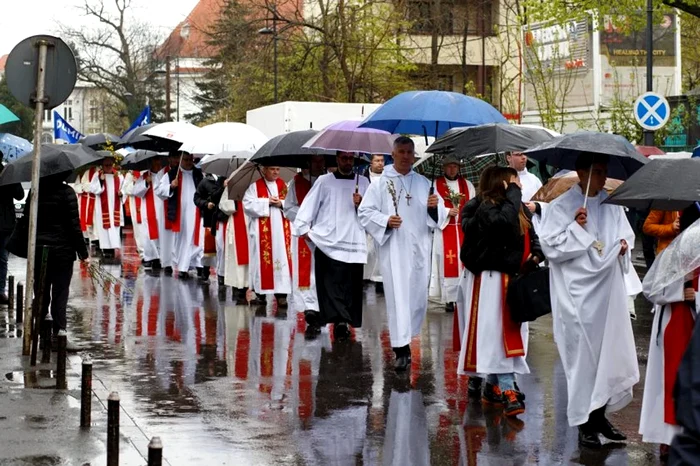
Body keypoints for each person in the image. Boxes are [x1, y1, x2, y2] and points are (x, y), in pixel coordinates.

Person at [539, 153, 639, 448]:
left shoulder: (611, 203)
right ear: (581, 173)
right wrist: (575, 227)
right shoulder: (561, 207)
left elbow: (626, 237)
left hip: (607, 294)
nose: (602, 177)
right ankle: (584, 424)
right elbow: (551, 249)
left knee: (607, 356)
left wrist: (623, 247)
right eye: (597, 171)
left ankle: (599, 416)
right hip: (577, 297)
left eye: (604, 171)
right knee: (583, 360)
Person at [456, 166, 543, 417]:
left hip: (514, 277)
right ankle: (507, 388)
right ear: (502, 183)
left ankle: (493, 386)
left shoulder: (516, 206)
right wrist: (514, 194)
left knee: (511, 334)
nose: (519, 184)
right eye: (514, 180)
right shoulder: (479, 207)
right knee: (496, 334)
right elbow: (501, 224)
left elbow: (531, 233)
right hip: (489, 279)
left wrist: (536, 254)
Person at [358, 136, 446, 371]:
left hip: (419, 248)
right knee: (398, 296)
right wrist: (386, 220)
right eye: (402, 152)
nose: (406, 156)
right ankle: (401, 349)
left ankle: (408, 338)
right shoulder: (380, 183)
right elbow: (365, 213)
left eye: (410, 152)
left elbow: (439, 218)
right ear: (393, 154)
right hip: (394, 249)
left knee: (416, 298)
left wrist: (433, 207)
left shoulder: (424, 183)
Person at [640, 205, 699, 460]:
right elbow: (651, 289)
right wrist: (679, 291)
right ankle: (668, 438)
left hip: (694, 320)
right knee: (672, 382)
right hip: (674, 321)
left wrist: (695, 296)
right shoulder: (672, 252)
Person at [295, 152, 369, 340]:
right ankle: (339, 321)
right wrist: (303, 226)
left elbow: (372, 211)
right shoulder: (324, 181)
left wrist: (361, 204)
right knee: (331, 285)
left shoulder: (364, 183)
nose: (347, 162)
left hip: (353, 238)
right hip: (329, 240)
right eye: (343, 158)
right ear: (336, 159)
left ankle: (344, 320)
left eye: (350, 158)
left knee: (350, 285)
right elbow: (309, 204)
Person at [19, 173, 89, 350]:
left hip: (39, 250)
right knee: (60, 294)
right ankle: (59, 335)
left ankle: (42, 336)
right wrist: (83, 253)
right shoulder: (67, 192)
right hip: (62, 253)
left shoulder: (35, 192)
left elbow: (27, 221)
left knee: (41, 293)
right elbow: (74, 226)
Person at [430, 155, 475, 313]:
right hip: (446, 229)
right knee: (447, 261)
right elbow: (431, 205)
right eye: (449, 166)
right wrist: (448, 211)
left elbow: (473, 204)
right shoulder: (435, 184)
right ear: (443, 167)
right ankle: (449, 298)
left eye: (455, 166)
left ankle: (464, 295)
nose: (452, 169)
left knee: (464, 262)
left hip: (463, 229)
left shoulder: (467, 185)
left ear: (459, 167)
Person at [284, 155, 325, 324]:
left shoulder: (328, 181)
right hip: (304, 233)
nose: (318, 164)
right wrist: (305, 216)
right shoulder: (297, 182)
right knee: (307, 271)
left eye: (321, 160)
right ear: (307, 162)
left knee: (322, 269)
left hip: (325, 233)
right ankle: (310, 307)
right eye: (315, 160)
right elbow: (288, 208)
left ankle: (323, 305)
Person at [243, 166, 292, 306]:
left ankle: (281, 295)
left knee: (281, 258)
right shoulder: (254, 187)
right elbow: (247, 205)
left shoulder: (283, 185)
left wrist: (281, 203)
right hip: (262, 233)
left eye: (278, 169)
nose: (276, 172)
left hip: (281, 232)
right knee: (261, 259)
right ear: (264, 170)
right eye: (272, 169)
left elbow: (291, 204)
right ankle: (261, 294)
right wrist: (266, 202)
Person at [156, 151, 204, 279]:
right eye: (186, 160)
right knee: (183, 239)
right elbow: (159, 191)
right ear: (181, 160)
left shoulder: (199, 174)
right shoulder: (172, 174)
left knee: (197, 238)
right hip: (180, 213)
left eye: (190, 160)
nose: (189, 162)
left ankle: (199, 266)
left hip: (196, 211)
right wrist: (171, 186)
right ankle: (183, 267)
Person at [219, 179, 251, 302]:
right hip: (236, 221)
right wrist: (233, 198)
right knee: (236, 255)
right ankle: (238, 286)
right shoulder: (231, 185)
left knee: (253, 255)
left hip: (252, 223)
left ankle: (251, 284)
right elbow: (224, 205)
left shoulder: (256, 185)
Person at [132, 157, 166, 270]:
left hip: (162, 209)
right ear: (150, 163)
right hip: (148, 209)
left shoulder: (166, 175)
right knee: (147, 234)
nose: (157, 163)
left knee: (162, 233)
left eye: (159, 161)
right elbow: (135, 192)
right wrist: (146, 183)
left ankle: (162, 257)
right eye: (155, 161)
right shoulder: (144, 176)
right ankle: (150, 258)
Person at [88, 156, 124, 260]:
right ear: (102, 166)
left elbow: (124, 188)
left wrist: (122, 193)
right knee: (104, 229)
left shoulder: (119, 176)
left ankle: (112, 249)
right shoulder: (97, 175)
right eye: (106, 165)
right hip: (102, 207)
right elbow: (94, 189)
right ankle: (105, 249)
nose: (108, 167)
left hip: (115, 207)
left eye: (110, 165)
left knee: (114, 228)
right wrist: (101, 181)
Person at [194, 172, 227, 285]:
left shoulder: (228, 179)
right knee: (209, 246)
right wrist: (205, 204)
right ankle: (205, 268)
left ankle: (222, 273)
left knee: (222, 247)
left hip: (223, 216)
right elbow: (197, 198)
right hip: (210, 217)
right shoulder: (205, 181)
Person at [0, 153, 24, 304]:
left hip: (5, 225)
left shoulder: (8, 175)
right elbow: (20, 195)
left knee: (2, 258)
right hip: (6, 225)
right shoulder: (8, 173)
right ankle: (0, 290)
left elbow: (19, 195)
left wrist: (13, 179)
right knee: (2, 259)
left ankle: (1, 290)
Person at [363, 154, 384, 289]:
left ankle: (380, 280)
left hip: (383, 217)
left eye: (382, 161)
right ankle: (365, 278)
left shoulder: (388, 177)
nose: (380, 163)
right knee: (368, 250)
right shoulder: (363, 178)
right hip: (369, 217)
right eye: (377, 161)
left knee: (381, 251)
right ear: (371, 163)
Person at [121, 170, 146, 261]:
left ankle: (153, 254)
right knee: (139, 229)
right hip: (136, 206)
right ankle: (143, 253)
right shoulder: (130, 174)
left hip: (148, 204)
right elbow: (126, 190)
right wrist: (134, 183)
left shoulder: (150, 172)